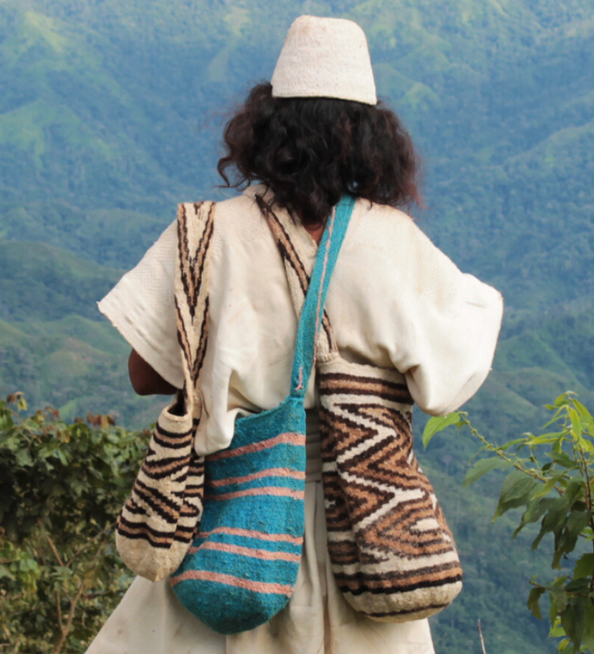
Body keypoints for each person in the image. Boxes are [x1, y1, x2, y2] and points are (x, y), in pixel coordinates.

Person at [88, 15, 502, 654]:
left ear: (266, 131)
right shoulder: (395, 245)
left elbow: (145, 374)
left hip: (232, 531)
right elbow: (448, 382)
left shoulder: (205, 235)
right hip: (364, 535)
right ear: (370, 140)